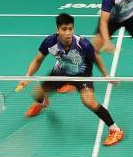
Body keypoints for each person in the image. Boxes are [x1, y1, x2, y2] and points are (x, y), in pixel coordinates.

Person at [18, 13, 124, 147]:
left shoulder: (82, 43)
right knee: (37, 93)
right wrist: (28, 76)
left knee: (89, 102)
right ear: (57, 30)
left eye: (70, 28)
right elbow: (38, 59)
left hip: (82, 75)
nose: (68, 33)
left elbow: (96, 58)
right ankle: (43, 103)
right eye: (64, 29)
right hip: (61, 71)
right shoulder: (49, 42)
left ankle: (115, 129)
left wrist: (106, 75)